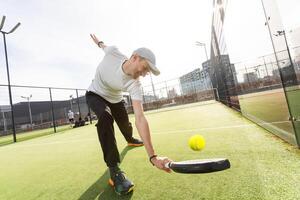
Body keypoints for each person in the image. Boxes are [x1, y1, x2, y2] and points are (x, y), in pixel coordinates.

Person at [86, 34, 172, 195]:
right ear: (135, 58)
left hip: (115, 98)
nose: (145, 74)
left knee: (125, 125)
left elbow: (140, 117)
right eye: (145, 68)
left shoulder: (135, 84)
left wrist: (153, 156)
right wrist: (98, 41)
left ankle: (130, 138)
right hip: (95, 93)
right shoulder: (114, 52)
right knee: (105, 117)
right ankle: (114, 170)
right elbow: (103, 46)